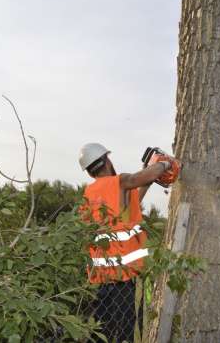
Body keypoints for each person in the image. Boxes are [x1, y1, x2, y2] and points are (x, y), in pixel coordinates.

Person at [79, 143, 172, 343]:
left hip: (101, 279)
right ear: (106, 161)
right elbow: (135, 179)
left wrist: (149, 178)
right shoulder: (119, 182)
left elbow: (129, 209)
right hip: (123, 278)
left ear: (89, 171)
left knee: (100, 331)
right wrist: (164, 165)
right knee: (124, 333)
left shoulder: (90, 194)